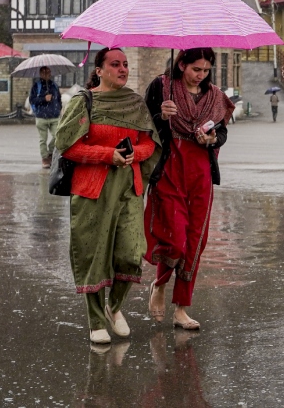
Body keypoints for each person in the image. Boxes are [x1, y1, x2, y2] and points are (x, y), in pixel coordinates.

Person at [56, 48, 160, 345]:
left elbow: (149, 145)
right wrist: (107, 155)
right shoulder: (83, 101)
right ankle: (95, 321)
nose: (123, 69)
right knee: (94, 254)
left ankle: (113, 306)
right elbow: (67, 146)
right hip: (92, 188)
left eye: (125, 64)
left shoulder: (135, 103)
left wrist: (131, 155)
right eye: (115, 65)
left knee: (131, 251)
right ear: (99, 70)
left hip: (129, 187)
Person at [144, 48, 230, 331]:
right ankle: (159, 284)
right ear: (182, 64)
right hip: (170, 166)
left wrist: (213, 138)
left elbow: (222, 132)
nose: (201, 76)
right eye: (196, 69)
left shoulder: (215, 95)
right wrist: (160, 115)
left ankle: (181, 307)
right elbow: (143, 125)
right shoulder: (161, 85)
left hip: (200, 170)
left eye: (206, 71)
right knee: (175, 236)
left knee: (195, 241)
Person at [30, 66, 62, 168]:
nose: (47, 74)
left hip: (54, 116)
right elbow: (32, 100)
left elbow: (59, 99)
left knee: (58, 136)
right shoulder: (36, 86)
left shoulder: (54, 85)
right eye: (44, 72)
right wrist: (44, 99)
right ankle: (45, 158)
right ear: (40, 74)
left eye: (48, 72)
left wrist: (58, 109)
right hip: (41, 117)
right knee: (42, 139)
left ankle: (50, 151)